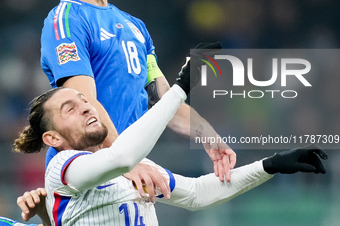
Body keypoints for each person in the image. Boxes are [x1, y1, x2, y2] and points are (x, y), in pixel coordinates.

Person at [13, 64, 327, 225]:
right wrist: (179, 89)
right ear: (53, 138)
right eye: (69, 108)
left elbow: (199, 194)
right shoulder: (64, 169)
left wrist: (270, 165)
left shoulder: (137, 167)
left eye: (84, 100)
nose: (85, 106)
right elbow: (122, 157)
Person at [40, 0, 236, 191]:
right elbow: (84, 99)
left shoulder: (134, 25)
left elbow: (163, 101)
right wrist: (122, 161)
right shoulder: (66, 21)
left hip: (125, 169)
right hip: (88, 172)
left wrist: (206, 133)